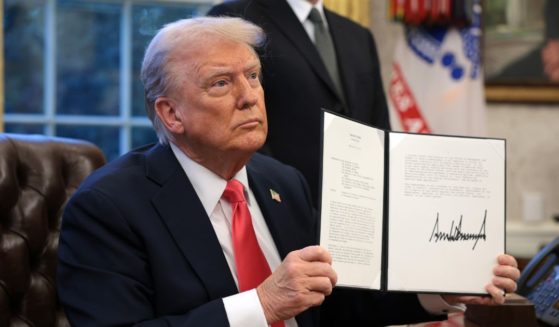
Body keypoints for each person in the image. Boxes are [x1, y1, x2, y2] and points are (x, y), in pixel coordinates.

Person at [57, 16, 520, 326]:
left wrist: (441, 291)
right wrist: (262, 304)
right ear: (171, 114)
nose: (249, 96)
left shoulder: (282, 182)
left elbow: (339, 300)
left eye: (253, 76)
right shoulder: (109, 206)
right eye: (221, 83)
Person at [208, 0, 391, 205]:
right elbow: (233, 121)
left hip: (358, 207)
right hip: (278, 204)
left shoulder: (358, 35)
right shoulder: (237, 17)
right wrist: (280, 194)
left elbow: (379, 127)